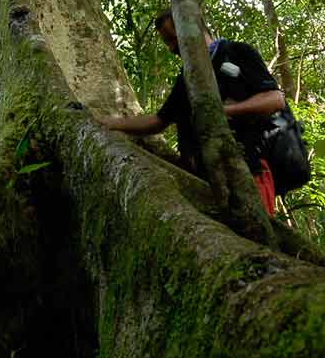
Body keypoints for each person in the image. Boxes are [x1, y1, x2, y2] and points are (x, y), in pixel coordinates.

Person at [94, 11, 284, 216]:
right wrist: (108, 123)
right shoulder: (186, 78)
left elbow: (274, 99)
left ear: (192, 28)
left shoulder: (236, 52)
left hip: (246, 171)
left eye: (173, 39)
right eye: (167, 42)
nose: (171, 48)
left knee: (254, 234)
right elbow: (159, 121)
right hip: (202, 182)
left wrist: (223, 110)